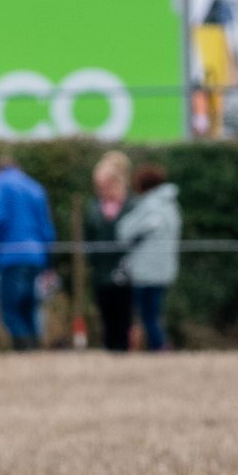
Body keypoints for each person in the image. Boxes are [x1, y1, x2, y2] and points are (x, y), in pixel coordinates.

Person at [0, 157, 55, 349]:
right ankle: (34, 348)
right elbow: (47, 228)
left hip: (10, 255)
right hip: (37, 255)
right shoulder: (35, 187)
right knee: (29, 307)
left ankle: (25, 348)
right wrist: (49, 261)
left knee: (10, 309)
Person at [118, 163, 182, 353]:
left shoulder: (150, 205)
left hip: (146, 270)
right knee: (154, 314)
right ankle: (159, 346)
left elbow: (125, 230)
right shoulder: (171, 205)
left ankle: (160, 348)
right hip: (165, 268)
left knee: (148, 315)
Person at [83, 151, 135, 354]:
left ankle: (123, 351)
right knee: (106, 314)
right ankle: (110, 351)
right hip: (101, 271)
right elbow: (89, 237)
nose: (101, 189)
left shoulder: (131, 206)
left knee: (124, 315)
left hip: (126, 271)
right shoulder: (94, 207)